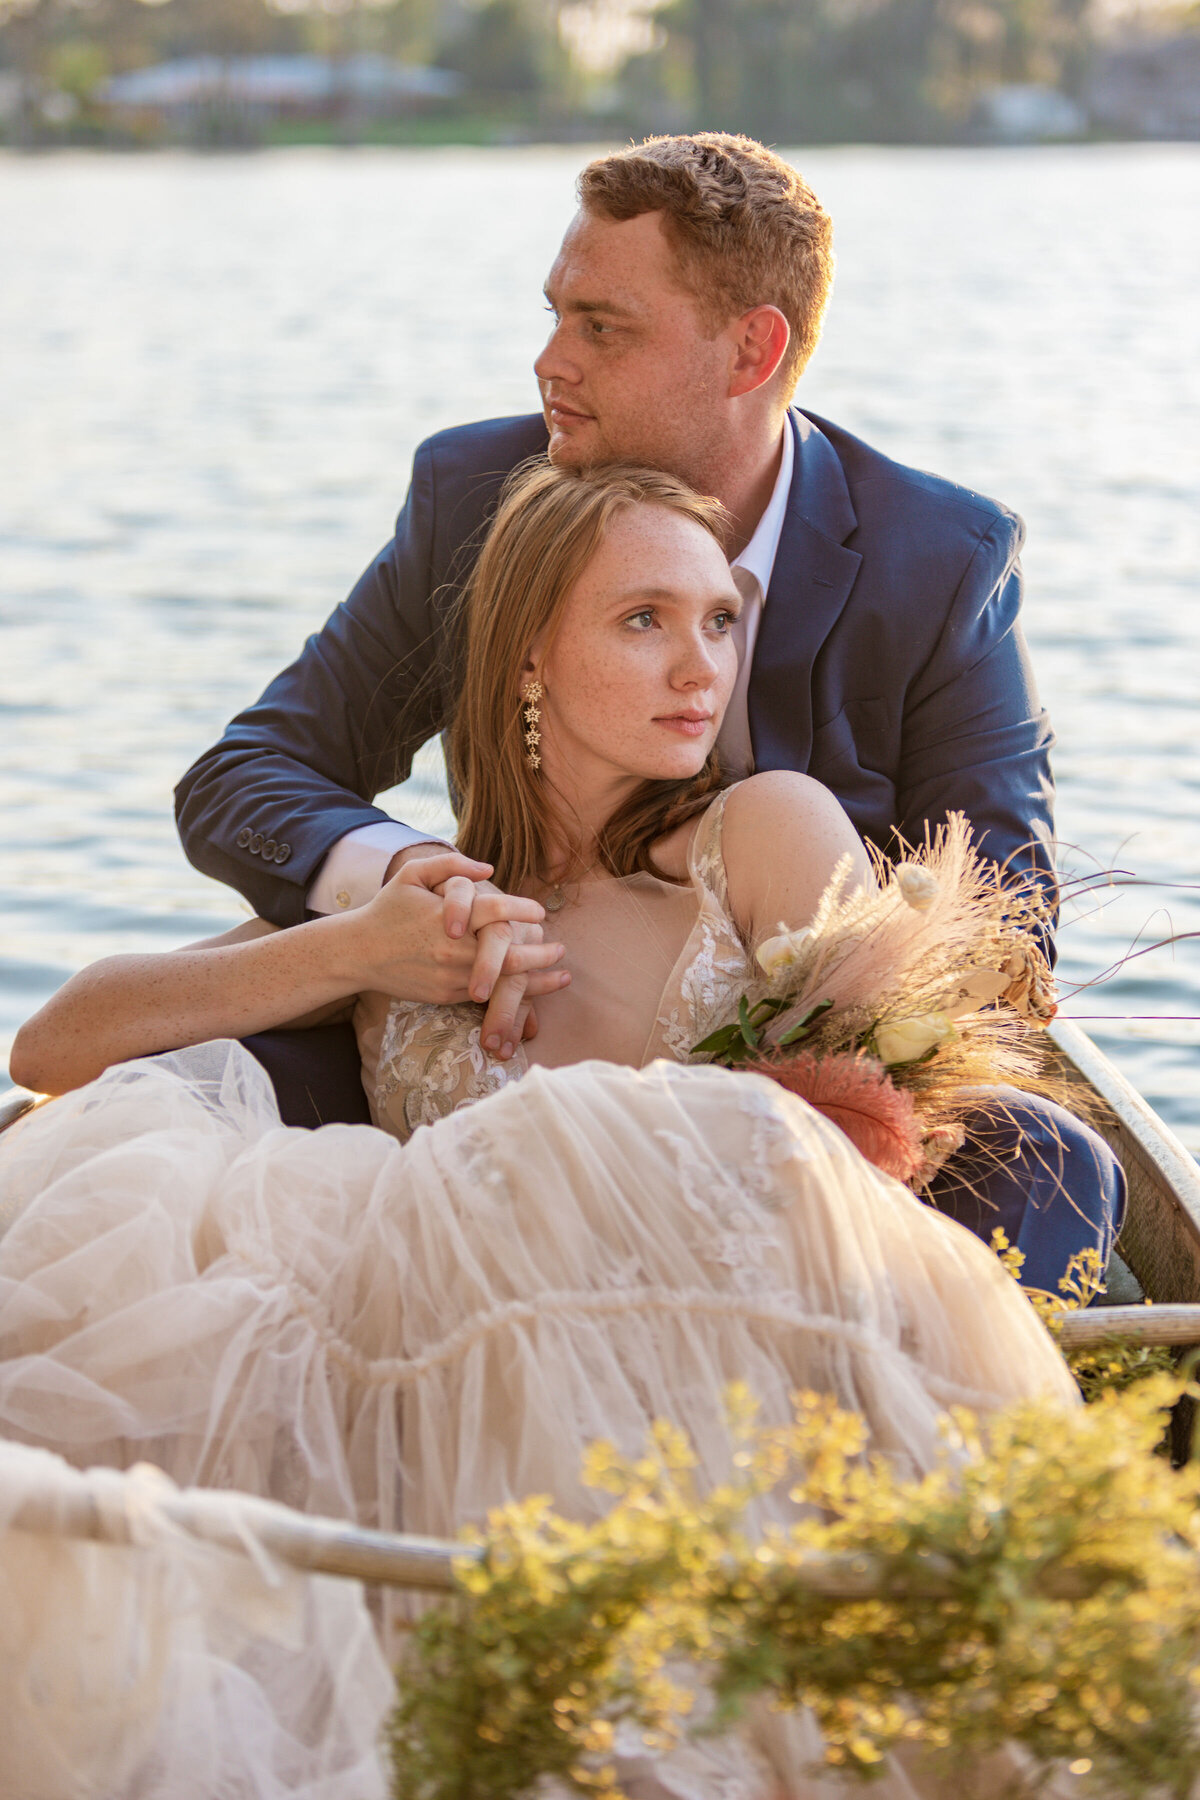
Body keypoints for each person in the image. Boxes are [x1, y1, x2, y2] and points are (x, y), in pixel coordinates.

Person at [3, 464, 1080, 1799]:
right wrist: (362, 951)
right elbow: (53, 1046)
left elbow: (857, 1150)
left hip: (710, 1396)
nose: (702, 666)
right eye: (644, 621)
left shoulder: (752, 831)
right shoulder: (424, 913)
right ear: (526, 659)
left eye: (719, 622)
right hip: (442, 1430)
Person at [172, 131, 1123, 1288]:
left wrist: (816, 1070)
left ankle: (907, 1432)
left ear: (749, 352)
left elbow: (1008, 925)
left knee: (1051, 1156)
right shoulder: (483, 499)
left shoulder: (940, 560)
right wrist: (419, 893)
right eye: (556, 313)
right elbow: (251, 774)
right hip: (503, 1040)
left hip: (807, 1116)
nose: (547, 363)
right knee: (201, 1085)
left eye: (601, 327)